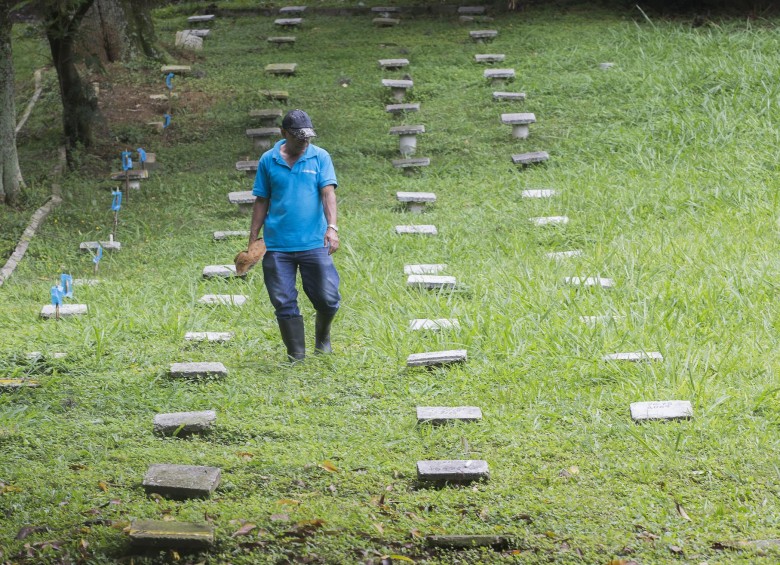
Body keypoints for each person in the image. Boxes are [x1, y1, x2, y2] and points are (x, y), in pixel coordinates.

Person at [248, 109, 341, 361]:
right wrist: (253, 237)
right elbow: (261, 200)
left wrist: (332, 227)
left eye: (308, 136)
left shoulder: (320, 157)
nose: (304, 141)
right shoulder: (268, 160)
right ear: (283, 133)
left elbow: (328, 193)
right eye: (299, 136)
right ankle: (296, 355)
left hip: (314, 241)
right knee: (283, 300)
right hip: (278, 245)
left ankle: (322, 338)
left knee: (328, 298)